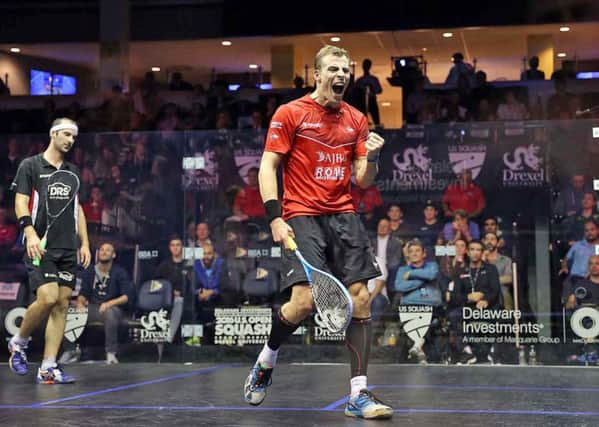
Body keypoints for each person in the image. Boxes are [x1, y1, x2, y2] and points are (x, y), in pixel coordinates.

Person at [243, 45, 393, 419]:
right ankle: (267, 359)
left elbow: (362, 179)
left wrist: (372, 157)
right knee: (304, 303)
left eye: (346, 69)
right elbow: (267, 167)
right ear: (317, 74)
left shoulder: (357, 119)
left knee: (360, 298)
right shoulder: (290, 113)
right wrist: (275, 217)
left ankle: (358, 394)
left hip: (343, 215)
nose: (342, 74)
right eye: (334, 69)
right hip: (301, 215)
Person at [8, 117, 92, 383]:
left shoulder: (73, 171)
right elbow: (20, 202)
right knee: (47, 298)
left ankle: (48, 366)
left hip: (68, 247)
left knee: (62, 304)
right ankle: (18, 341)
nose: (70, 140)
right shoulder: (30, 166)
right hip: (40, 246)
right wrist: (29, 232)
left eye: (74, 137)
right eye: (66, 134)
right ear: (53, 134)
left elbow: (78, 209)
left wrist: (85, 243)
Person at [76, 242, 132, 364]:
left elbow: (126, 297)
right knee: (70, 313)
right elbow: (83, 293)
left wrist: (109, 304)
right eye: (101, 250)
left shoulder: (119, 272)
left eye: (108, 250)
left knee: (109, 313)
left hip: (114, 309)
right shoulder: (90, 271)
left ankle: (111, 353)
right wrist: (80, 303)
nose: (104, 252)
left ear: (113, 255)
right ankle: (71, 351)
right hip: (94, 308)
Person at [355, 59, 383, 127]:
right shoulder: (360, 80)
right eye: (365, 66)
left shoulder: (373, 79)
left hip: (372, 100)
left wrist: (373, 90)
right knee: (361, 120)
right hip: (362, 102)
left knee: (376, 118)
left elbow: (380, 90)